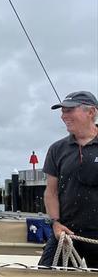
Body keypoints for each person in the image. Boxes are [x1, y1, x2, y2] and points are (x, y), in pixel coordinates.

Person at [39, 91, 98, 268]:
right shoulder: (57, 149)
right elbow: (51, 191)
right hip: (66, 233)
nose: (64, 116)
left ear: (91, 112)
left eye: (70, 110)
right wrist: (55, 223)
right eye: (63, 111)